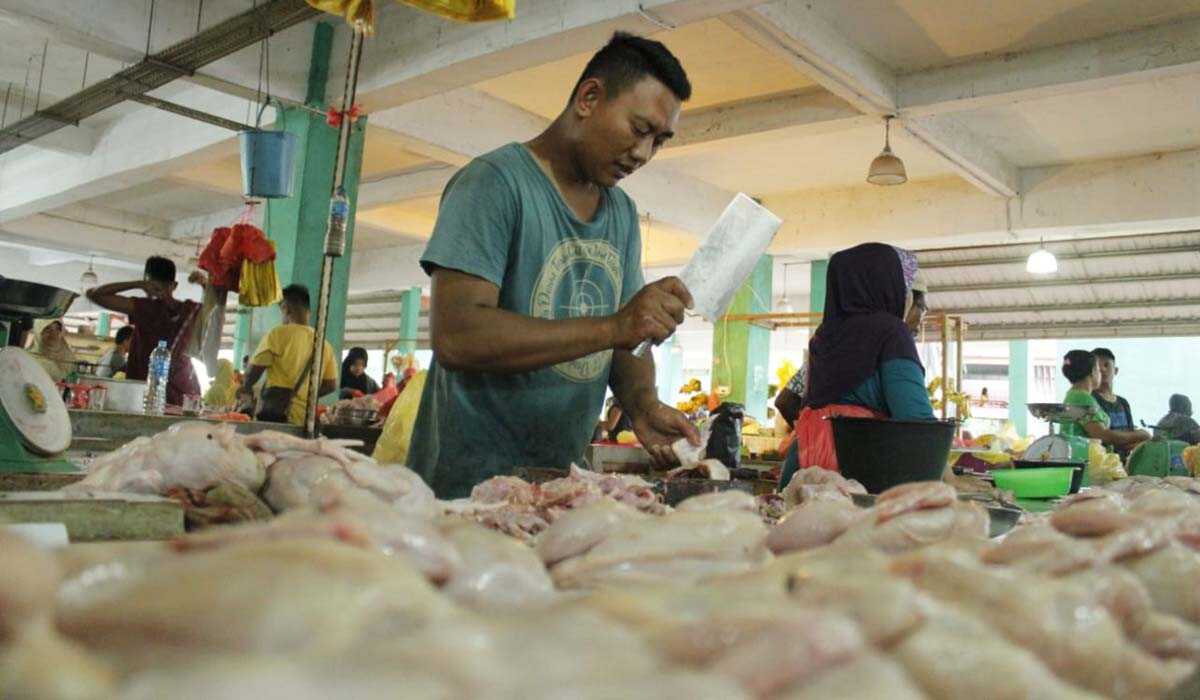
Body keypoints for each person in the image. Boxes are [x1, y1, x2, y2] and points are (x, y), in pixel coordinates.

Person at [408, 32, 700, 498]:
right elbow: (458, 337)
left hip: (560, 484)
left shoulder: (620, 213)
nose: (644, 154)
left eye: (659, 141)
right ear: (589, 98)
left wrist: (642, 404)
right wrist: (615, 325)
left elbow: (626, 340)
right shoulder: (494, 184)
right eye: (639, 129)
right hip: (467, 488)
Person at [792, 243, 936, 474]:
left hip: (807, 469)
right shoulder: (891, 332)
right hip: (860, 470)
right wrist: (950, 481)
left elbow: (794, 402)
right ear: (888, 284)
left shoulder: (822, 337)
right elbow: (916, 423)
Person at [86, 256, 200, 405]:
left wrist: (137, 284)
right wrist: (204, 285)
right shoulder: (191, 310)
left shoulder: (145, 307)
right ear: (175, 285)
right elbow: (216, 314)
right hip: (183, 393)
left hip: (142, 395)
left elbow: (95, 294)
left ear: (147, 282)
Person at [239, 285, 337, 425]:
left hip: (276, 416)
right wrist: (303, 396)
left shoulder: (277, 334)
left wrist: (246, 390)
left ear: (286, 309)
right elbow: (331, 385)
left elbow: (252, 374)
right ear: (308, 311)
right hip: (305, 420)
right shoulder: (324, 344)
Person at [1059, 349, 1149, 451]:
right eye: (1098, 369)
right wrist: (1140, 434)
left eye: (1107, 365)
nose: (1102, 372)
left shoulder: (1075, 395)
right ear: (1093, 372)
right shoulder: (1082, 397)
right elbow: (1102, 435)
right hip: (1086, 461)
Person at [1091, 347, 1135, 455]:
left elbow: (1132, 435)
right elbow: (1101, 437)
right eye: (1097, 366)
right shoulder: (1090, 400)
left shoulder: (1123, 403)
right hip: (1101, 463)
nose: (1102, 369)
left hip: (1123, 464)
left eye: (1106, 365)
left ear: (1115, 370)